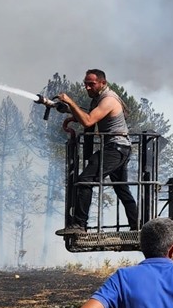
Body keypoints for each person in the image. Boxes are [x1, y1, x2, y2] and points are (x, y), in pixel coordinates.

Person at [55, 69, 139, 234]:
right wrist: (70, 111)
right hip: (118, 148)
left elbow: (88, 121)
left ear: (103, 83)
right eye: (85, 84)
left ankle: (79, 225)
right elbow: (89, 117)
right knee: (121, 188)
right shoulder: (99, 99)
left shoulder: (108, 100)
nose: (87, 87)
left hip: (116, 148)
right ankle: (137, 225)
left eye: (91, 84)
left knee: (85, 180)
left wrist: (70, 102)